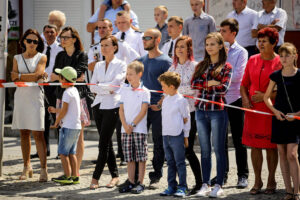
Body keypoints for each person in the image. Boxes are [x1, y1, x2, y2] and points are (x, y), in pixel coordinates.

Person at [240, 27, 281, 195]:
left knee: (271, 147)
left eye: (264, 41)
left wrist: (265, 96)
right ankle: (257, 180)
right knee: (255, 147)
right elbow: (244, 84)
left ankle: (271, 179)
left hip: (270, 109)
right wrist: (245, 98)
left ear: (274, 43)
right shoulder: (252, 59)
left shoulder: (280, 61)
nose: (260, 43)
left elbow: (285, 88)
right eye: (259, 40)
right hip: (252, 109)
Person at [191, 32, 232, 198]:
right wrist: (211, 83)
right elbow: (194, 83)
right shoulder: (201, 65)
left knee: (219, 149)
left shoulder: (226, 67)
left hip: (218, 113)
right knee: (205, 150)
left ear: (221, 46)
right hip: (200, 110)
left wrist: (205, 85)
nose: (209, 47)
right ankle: (205, 184)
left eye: (213, 44)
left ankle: (218, 185)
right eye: (207, 44)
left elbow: (223, 89)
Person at [51, 26, 90, 176]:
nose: (63, 40)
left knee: (78, 134)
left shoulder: (82, 55)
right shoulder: (60, 55)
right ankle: (69, 171)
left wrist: (63, 75)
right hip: (61, 96)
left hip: (78, 97)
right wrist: (66, 75)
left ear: (74, 39)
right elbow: (56, 74)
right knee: (65, 133)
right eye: (61, 37)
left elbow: (77, 74)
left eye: (66, 37)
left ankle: (76, 171)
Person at [10, 28, 48, 182]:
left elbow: (38, 75)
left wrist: (19, 76)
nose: (32, 44)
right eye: (29, 40)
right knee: (23, 133)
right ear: (24, 41)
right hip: (21, 97)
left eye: (35, 41)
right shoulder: (16, 57)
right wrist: (22, 77)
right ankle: (27, 166)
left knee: (38, 134)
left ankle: (43, 169)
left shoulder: (42, 57)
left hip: (35, 97)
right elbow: (12, 78)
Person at [89, 35, 126, 189]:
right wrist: (105, 88)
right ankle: (115, 176)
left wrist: (102, 88)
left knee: (103, 143)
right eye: (101, 45)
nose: (103, 48)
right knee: (107, 143)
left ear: (115, 47)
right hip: (98, 105)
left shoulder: (121, 64)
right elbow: (91, 86)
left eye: (107, 45)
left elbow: (115, 87)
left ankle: (95, 178)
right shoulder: (98, 65)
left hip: (113, 106)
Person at [264, 43, 300, 200]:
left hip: (296, 119)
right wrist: (275, 111)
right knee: (282, 154)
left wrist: (298, 114)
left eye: (287, 55)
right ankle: (288, 190)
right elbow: (266, 97)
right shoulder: (276, 75)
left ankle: (297, 190)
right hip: (279, 118)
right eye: (282, 56)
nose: (284, 59)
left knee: (292, 154)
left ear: (295, 56)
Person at [138, 28, 172, 189]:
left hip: (158, 109)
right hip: (141, 109)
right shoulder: (140, 60)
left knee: (158, 142)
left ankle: (156, 176)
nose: (144, 40)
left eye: (148, 37)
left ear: (157, 40)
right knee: (139, 141)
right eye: (143, 37)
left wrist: (160, 104)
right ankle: (137, 177)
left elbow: (171, 87)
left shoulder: (166, 61)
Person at [168, 35, 203, 195]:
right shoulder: (172, 68)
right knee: (175, 151)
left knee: (188, 150)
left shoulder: (196, 67)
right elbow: (166, 90)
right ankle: (178, 184)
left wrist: (176, 91)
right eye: (177, 47)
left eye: (183, 46)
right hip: (173, 115)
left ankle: (199, 182)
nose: (179, 49)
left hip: (190, 114)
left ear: (189, 49)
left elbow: (195, 90)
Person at [220, 18, 249, 188]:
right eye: (221, 30)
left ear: (233, 33)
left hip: (235, 99)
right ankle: (222, 176)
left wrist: (220, 80)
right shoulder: (217, 50)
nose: (221, 34)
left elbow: (239, 75)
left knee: (239, 139)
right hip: (219, 100)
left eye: (224, 31)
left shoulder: (241, 52)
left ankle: (242, 175)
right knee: (220, 140)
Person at [31, 24, 63, 159]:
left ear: (56, 34)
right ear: (43, 34)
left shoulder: (61, 49)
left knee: (58, 118)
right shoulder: (39, 49)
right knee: (42, 118)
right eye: (46, 32)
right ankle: (43, 150)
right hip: (42, 86)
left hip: (56, 86)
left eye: (52, 32)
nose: (49, 34)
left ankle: (60, 151)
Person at [118, 61, 150, 194]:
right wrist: (125, 125)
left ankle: (141, 183)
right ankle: (131, 181)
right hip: (125, 130)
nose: (128, 76)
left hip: (139, 129)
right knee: (129, 157)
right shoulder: (124, 90)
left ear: (139, 74)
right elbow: (121, 110)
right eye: (127, 74)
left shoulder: (145, 91)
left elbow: (143, 111)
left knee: (141, 157)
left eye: (131, 74)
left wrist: (132, 125)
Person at [158, 71, 190, 197]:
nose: (162, 88)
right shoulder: (166, 99)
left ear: (171, 86)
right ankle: (171, 186)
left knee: (180, 162)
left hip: (177, 136)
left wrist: (186, 136)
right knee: (170, 162)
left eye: (163, 86)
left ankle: (183, 187)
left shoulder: (181, 101)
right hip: (166, 135)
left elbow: (186, 119)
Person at [50, 66, 81, 185]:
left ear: (64, 79)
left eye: (60, 77)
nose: (59, 80)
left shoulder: (67, 93)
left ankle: (67, 177)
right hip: (76, 126)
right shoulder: (74, 91)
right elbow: (67, 109)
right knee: (72, 152)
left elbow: (64, 110)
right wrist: (55, 110)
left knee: (62, 152)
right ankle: (74, 176)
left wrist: (57, 121)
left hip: (68, 127)